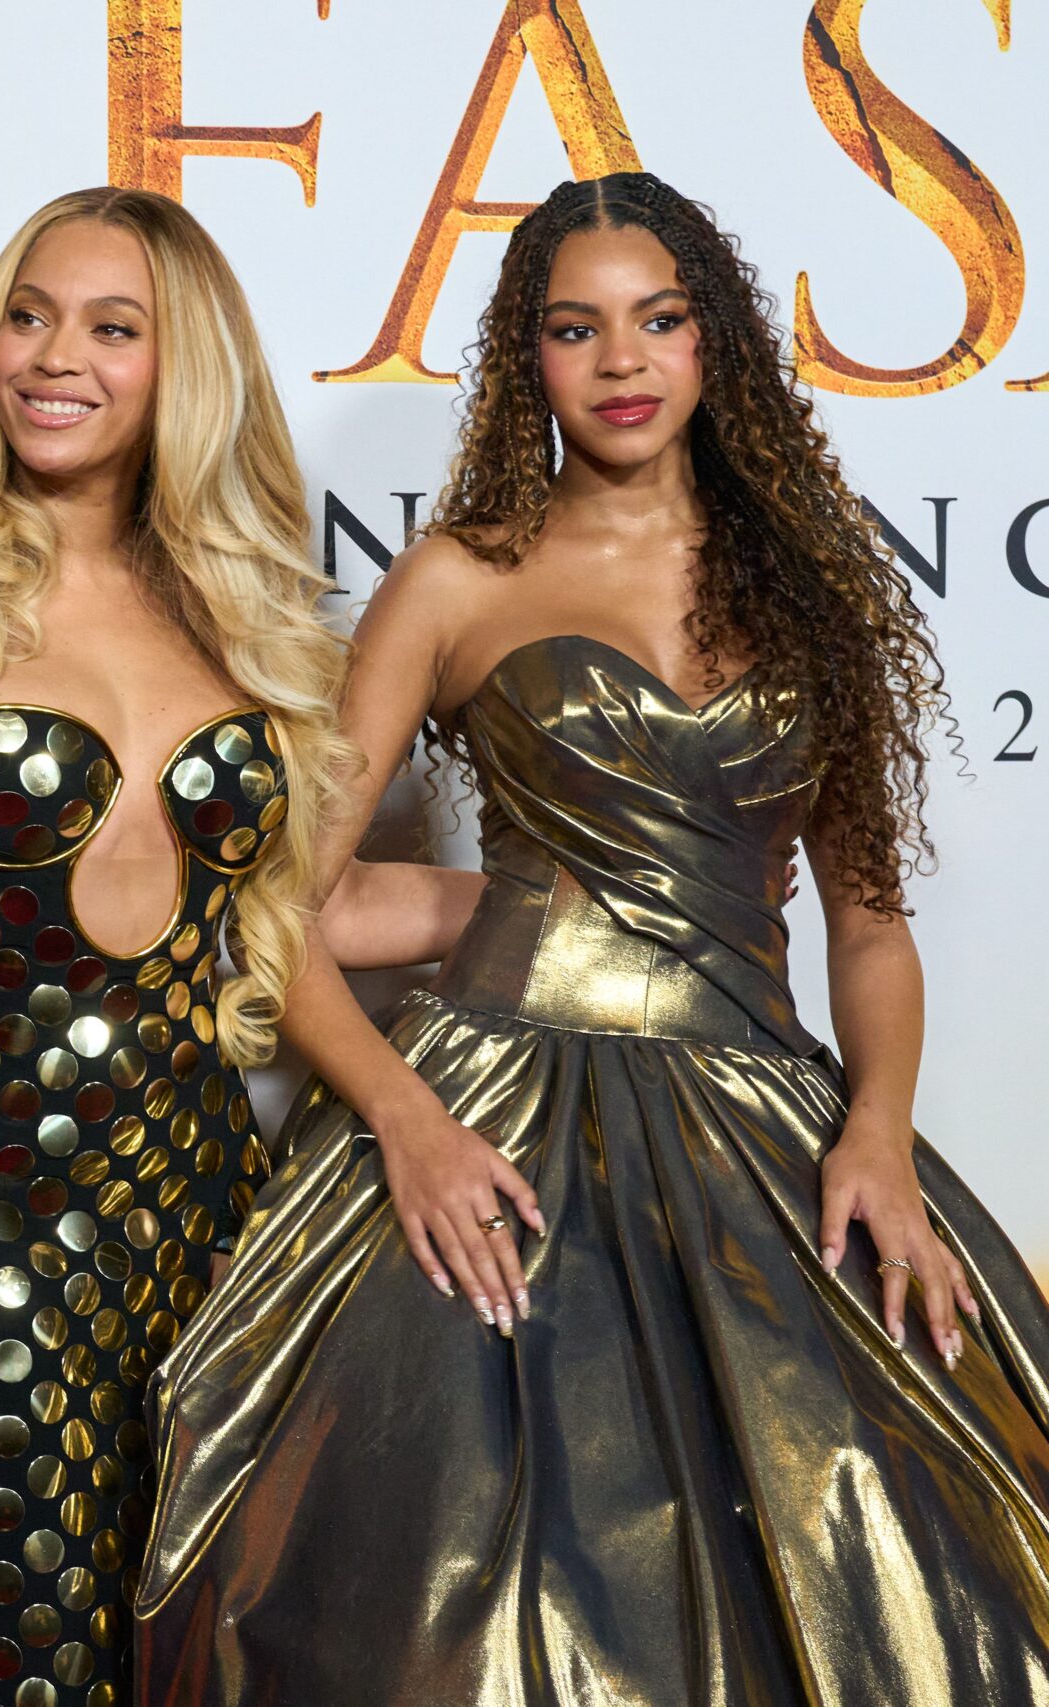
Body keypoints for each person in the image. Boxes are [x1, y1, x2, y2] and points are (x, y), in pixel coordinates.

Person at [135, 172, 1049, 1704]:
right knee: (452, 1601)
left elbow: (870, 930)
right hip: (494, 1114)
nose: (622, 361)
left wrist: (878, 1134)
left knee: (929, 1562)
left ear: (715, 346)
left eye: (660, 320)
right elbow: (283, 905)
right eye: (577, 329)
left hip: (761, 1123)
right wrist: (409, 1123)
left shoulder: (817, 592)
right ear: (529, 360)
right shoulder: (455, 580)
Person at [0, 187, 482, 1707]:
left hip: (201, 1207)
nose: (53, 357)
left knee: (193, 1654)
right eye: (29, 314)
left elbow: (274, 925)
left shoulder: (247, 623)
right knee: (28, 1662)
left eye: (111, 328)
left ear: (177, 367)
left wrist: (550, 917)